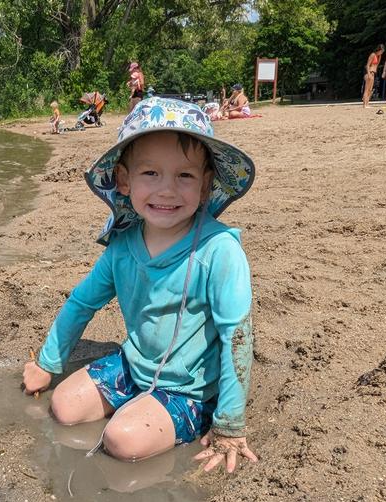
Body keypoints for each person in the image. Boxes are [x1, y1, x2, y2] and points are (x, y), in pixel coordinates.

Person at [22, 97, 258, 473]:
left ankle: (185, 414)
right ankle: (133, 399)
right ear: (124, 180)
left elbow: (237, 336)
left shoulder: (219, 250)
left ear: (206, 184)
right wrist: (47, 363)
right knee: (63, 406)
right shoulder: (122, 247)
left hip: (189, 388)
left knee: (123, 439)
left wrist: (229, 425)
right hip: (135, 366)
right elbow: (81, 303)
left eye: (185, 176)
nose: (167, 190)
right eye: (150, 173)